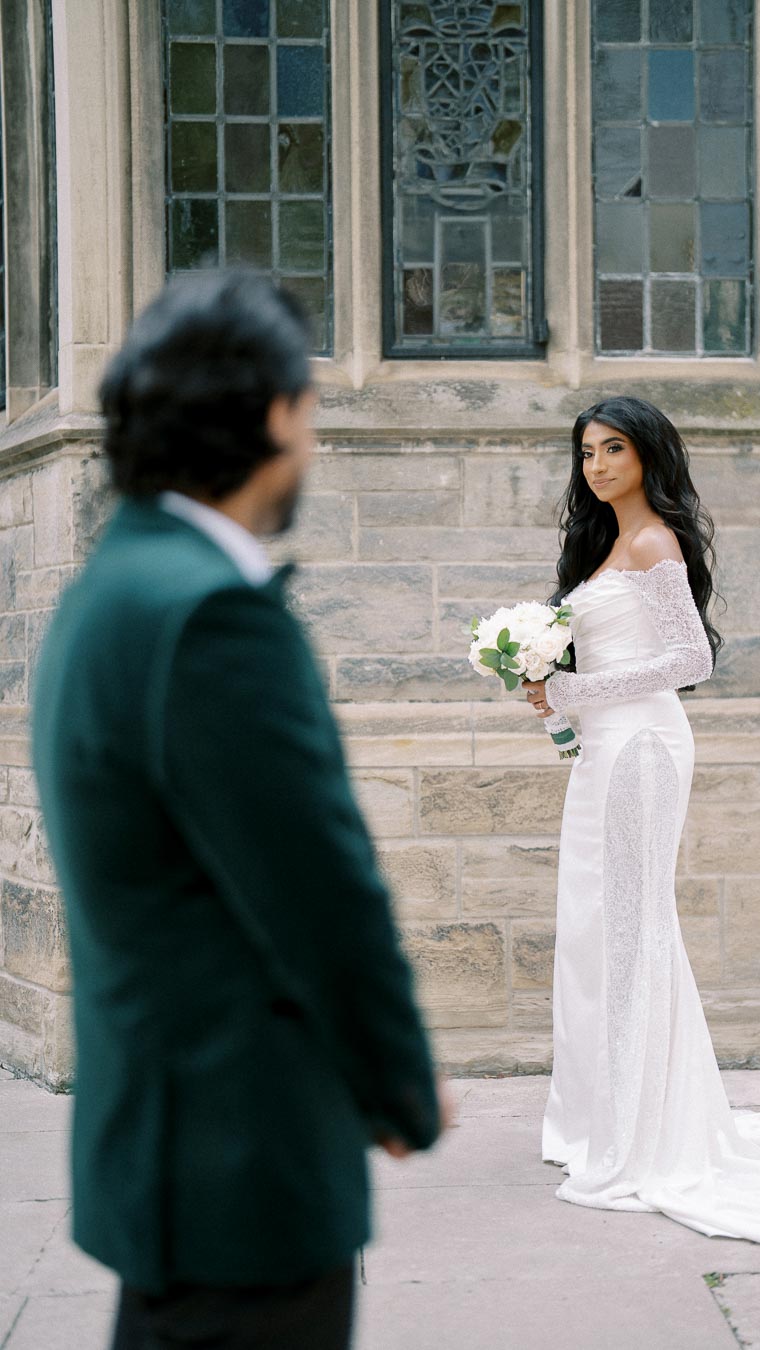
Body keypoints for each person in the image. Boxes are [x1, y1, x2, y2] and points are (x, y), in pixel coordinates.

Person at [32, 270, 452, 1350]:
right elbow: (321, 889)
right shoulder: (215, 614)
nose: (313, 435)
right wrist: (401, 1086)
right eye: (309, 405)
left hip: (164, 1156)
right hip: (242, 1166)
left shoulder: (107, 591)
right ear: (272, 412)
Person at [523, 396, 760, 1254]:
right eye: (586, 452)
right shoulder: (603, 546)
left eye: (613, 449)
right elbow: (609, 658)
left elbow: (692, 659)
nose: (597, 465)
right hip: (604, 751)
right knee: (593, 929)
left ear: (648, 456)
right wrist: (551, 687)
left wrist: (581, 689)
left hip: (645, 751)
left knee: (631, 928)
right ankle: (598, 1119)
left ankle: (642, 1135)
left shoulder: (654, 541)